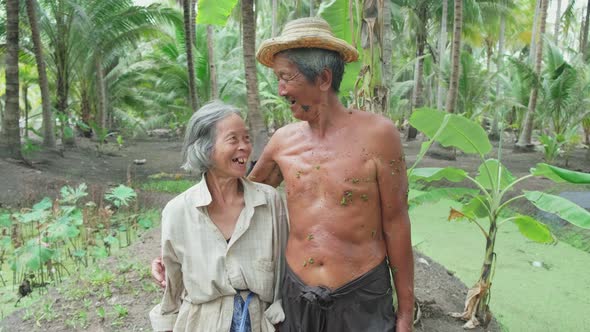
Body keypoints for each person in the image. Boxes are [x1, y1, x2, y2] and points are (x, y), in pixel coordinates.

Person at [153, 17, 414, 331]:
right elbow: (235, 200)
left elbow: (396, 221)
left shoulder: (379, 136)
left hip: (361, 293)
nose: (280, 90)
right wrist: (176, 252)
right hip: (295, 294)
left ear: (323, 79)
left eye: (286, 78)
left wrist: (405, 312)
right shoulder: (283, 142)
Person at [149, 101, 288, 332]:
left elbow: (285, 272)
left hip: (261, 323)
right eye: (233, 139)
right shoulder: (177, 211)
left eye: (246, 138)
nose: (244, 146)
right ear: (205, 148)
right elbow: (172, 288)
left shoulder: (269, 201)